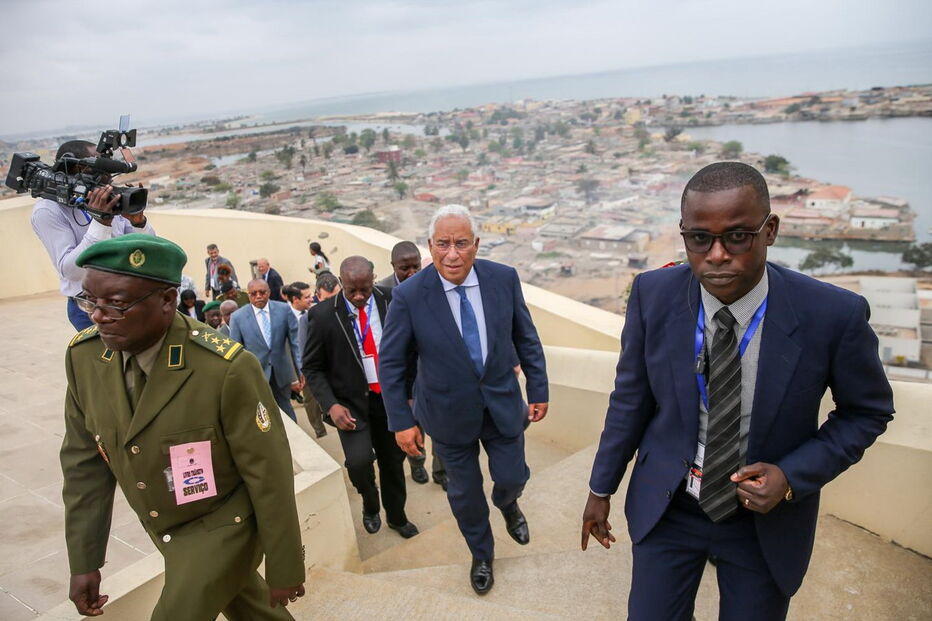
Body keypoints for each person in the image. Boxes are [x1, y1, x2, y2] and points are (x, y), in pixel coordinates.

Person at [580, 162, 894, 620]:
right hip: (669, 507)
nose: (717, 255)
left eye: (738, 237)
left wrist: (791, 477)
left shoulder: (832, 314)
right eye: (699, 238)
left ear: (770, 230)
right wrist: (600, 488)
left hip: (764, 521)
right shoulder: (652, 294)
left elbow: (867, 412)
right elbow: (631, 399)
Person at [61, 233, 305, 619]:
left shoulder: (223, 369)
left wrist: (285, 564)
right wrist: (84, 560)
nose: (98, 315)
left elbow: (269, 473)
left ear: (167, 300)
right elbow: (84, 466)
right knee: (251, 607)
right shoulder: (85, 358)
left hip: (225, 523)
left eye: (117, 304)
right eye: (90, 300)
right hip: (165, 524)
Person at [379, 205, 549, 595]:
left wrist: (538, 389)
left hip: (502, 404)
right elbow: (391, 362)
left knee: (513, 477)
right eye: (443, 244)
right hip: (446, 414)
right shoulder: (408, 295)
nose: (452, 254)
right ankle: (482, 554)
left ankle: (508, 504)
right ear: (430, 246)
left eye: (461, 243)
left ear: (476, 244)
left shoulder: (503, 278)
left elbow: (526, 337)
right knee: (466, 497)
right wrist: (401, 421)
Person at [303, 257, 418, 540]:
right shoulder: (322, 315)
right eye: (351, 290)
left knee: (393, 464)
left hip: (390, 402)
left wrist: (411, 394)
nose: (358, 296)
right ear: (341, 282)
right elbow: (312, 367)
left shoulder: (394, 300)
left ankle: (397, 517)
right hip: (350, 406)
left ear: (373, 280)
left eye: (364, 289)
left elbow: (412, 350)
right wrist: (331, 404)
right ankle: (370, 503)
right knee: (358, 463)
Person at [30, 139, 155, 330]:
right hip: (90, 308)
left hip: (126, 299)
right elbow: (71, 270)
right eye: (99, 165)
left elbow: (147, 251)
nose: (107, 173)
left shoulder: (104, 195)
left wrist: (138, 222)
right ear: (79, 168)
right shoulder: (48, 210)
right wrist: (101, 222)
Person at [378, 241, 447, 489]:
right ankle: (417, 463)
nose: (411, 273)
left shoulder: (436, 283)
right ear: (393, 266)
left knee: (442, 428)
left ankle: (442, 471)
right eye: (404, 268)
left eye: (416, 267)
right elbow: (389, 351)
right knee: (413, 426)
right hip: (406, 377)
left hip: (434, 372)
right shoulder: (382, 293)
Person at [229, 279, 304, 422]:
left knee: (287, 412)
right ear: (248, 295)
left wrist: (301, 370)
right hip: (256, 375)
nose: (258, 296)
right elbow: (236, 352)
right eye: (253, 293)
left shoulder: (284, 310)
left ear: (269, 292)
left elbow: (295, 344)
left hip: (281, 374)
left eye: (262, 292)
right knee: (264, 416)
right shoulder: (238, 317)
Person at [284, 281, 327, 438]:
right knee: (310, 399)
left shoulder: (314, 312)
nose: (311, 299)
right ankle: (319, 430)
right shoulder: (284, 317)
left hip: (319, 360)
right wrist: (295, 374)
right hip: (300, 367)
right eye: (307, 297)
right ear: (295, 299)